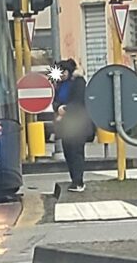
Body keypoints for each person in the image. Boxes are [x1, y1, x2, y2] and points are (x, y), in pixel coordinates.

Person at [53, 58, 94, 192]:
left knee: (76, 152)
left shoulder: (79, 82)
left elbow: (79, 102)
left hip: (78, 124)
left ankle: (78, 182)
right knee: (68, 152)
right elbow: (55, 101)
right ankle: (74, 180)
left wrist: (65, 109)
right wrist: (58, 108)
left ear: (67, 71)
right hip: (66, 126)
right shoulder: (59, 85)